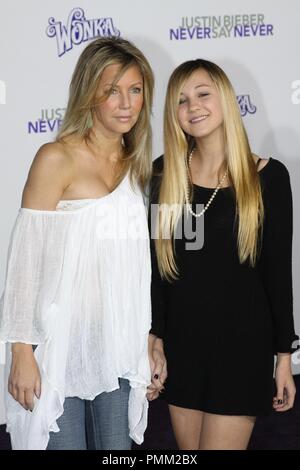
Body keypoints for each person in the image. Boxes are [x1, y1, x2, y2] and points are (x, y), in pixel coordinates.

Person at [0, 36, 155, 450]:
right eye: (111, 91)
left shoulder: (138, 166)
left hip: (118, 346)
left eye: (135, 90)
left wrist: (147, 344)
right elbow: (26, 263)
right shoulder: (56, 158)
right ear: (89, 95)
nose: (126, 103)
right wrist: (20, 350)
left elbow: (136, 270)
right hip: (58, 345)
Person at [148, 59, 299, 450]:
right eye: (181, 100)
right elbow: (158, 270)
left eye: (202, 94)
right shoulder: (164, 175)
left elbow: (278, 275)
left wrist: (285, 356)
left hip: (241, 349)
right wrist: (156, 336)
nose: (192, 106)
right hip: (182, 348)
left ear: (225, 99)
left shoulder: (269, 177)